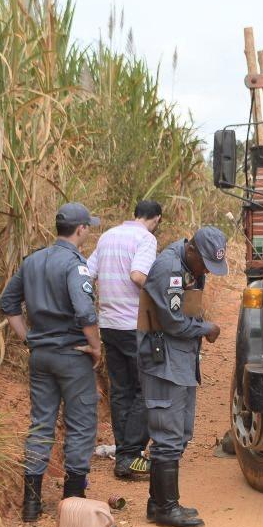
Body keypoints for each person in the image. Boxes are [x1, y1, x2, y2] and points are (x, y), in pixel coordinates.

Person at [0, 203, 104, 523]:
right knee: (81, 423)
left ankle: (31, 503)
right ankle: (72, 499)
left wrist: (28, 339)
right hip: (72, 354)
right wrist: (96, 347)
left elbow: (8, 303)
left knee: (41, 424)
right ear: (81, 229)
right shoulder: (76, 265)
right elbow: (85, 312)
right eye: (89, 227)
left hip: (41, 355)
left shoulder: (33, 260)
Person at [138, 226, 228, 527]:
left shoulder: (189, 266)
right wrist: (207, 329)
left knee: (181, 431)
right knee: (168, 433)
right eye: (205, 263)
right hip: (164, 361)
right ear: (192, 251)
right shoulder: (169, 270)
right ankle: (166, 507)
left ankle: (158, 502)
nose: (207, 271)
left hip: (181, 360)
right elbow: (175, 323)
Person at [86, 200, 162, 480]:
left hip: (108, 324)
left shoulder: (107, 236)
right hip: (134, 324)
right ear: (156, 218)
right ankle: (129, 454)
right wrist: (161, 293)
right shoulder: (146, 238)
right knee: (147, 387)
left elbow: (87, 272)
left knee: (121, 390)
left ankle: (123, 451)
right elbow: (138, 274)